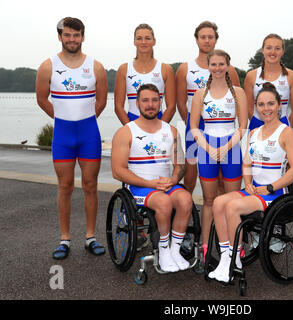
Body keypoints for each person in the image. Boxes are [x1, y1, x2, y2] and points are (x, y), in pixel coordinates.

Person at [208, 82, 293, 283]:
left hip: (275, 194)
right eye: (261, 104)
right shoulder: (253, 133)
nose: (266, 108)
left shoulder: (287, 133)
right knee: (218, 202)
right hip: (254, 190)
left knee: (232, 207)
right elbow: (247, 163)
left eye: (270, 104)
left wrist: (270, 187)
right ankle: (226, 258)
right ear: (256, 108)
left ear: (279, 105)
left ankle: (236, 259)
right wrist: (248, 183)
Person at [36, 17, 107, 259]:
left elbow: (101, 100)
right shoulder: (48, 66)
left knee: (90, 186)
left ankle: (90, 237)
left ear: (83, 37)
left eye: (76, 35)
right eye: (67, 35)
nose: (72, 39)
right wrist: (62, 118)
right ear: (60, 37)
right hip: (63, 135)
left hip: (89, 134)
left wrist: (85, 118)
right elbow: (42, 99)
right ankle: (64, 239)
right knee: (65, 187)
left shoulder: (95, 66)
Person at [111, 83, 192, 272]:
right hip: (139, 187)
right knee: (163, 203)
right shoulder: (126, 132)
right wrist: (149, 183)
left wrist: (173, 179)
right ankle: (163, 251)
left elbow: (180, 164)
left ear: (160, 102)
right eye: (145, 100)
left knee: (186, 200)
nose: (150, 105)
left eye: (155, 100)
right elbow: (117, 171)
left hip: (165, 184)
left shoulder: (171, 130)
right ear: (137, 103)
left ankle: (175, 250)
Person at [189, 49, 248, 259]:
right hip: (207, 149)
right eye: (213, 64)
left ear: (228, 66)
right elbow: (194, 127)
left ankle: (235, 249)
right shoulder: (199, 94)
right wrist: (208, 148)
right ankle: (205, 248)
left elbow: (243, 126)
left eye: (221, 64)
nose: (217, 68)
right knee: (208, 200)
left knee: (232, 203)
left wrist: (225, 147)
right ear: (208, 66)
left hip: (231, 149)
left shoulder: (238, 93)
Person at [176, 21, 241, 194]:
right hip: (195, 125)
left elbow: (236, 103)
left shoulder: (229, 70)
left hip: (221, 127)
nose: (207, 41)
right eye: (203, 37)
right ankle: (188, 214)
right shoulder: (185, 69)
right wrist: (191, 123)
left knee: (220, 179)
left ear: (216, 40)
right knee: (190, 174)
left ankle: (219, 216)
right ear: (196, 40)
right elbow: (181, 103)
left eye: (210, 37)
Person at [114, 24, 176, 124]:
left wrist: (159, 129)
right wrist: (131, 130)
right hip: (132, 121)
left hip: (158, 121)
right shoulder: (124, 69)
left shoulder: (166, 69)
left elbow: (172, 107)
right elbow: (118, 107)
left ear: (154, 41)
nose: (143, 42)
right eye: (139, 38)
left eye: (147, 38)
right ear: (134, 42)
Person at [244, 34, 293, 131]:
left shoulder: (292, 76)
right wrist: (261, 128)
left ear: (282, 51)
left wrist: (286, 129)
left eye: (277, 48)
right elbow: (248, 109)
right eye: (269, 48)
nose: (273, 52)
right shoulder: (251, 76)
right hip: (256, 125)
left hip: (282, 124)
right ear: (263, 50)